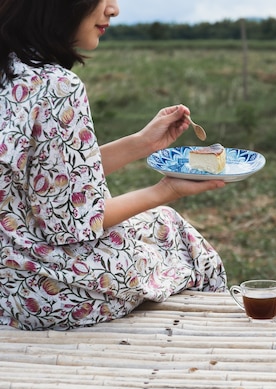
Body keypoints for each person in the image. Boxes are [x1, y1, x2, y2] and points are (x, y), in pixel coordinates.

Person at [0, 0, 228, 330]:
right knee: (183, 242)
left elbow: (51, 181)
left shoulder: (11, 71)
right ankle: (206, 343)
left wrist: (143, 144)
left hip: (7, 275)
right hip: (42, 291)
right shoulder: (57, 86)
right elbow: (71, 223)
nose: (114, 9)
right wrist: (167, 189)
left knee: (162, 226)